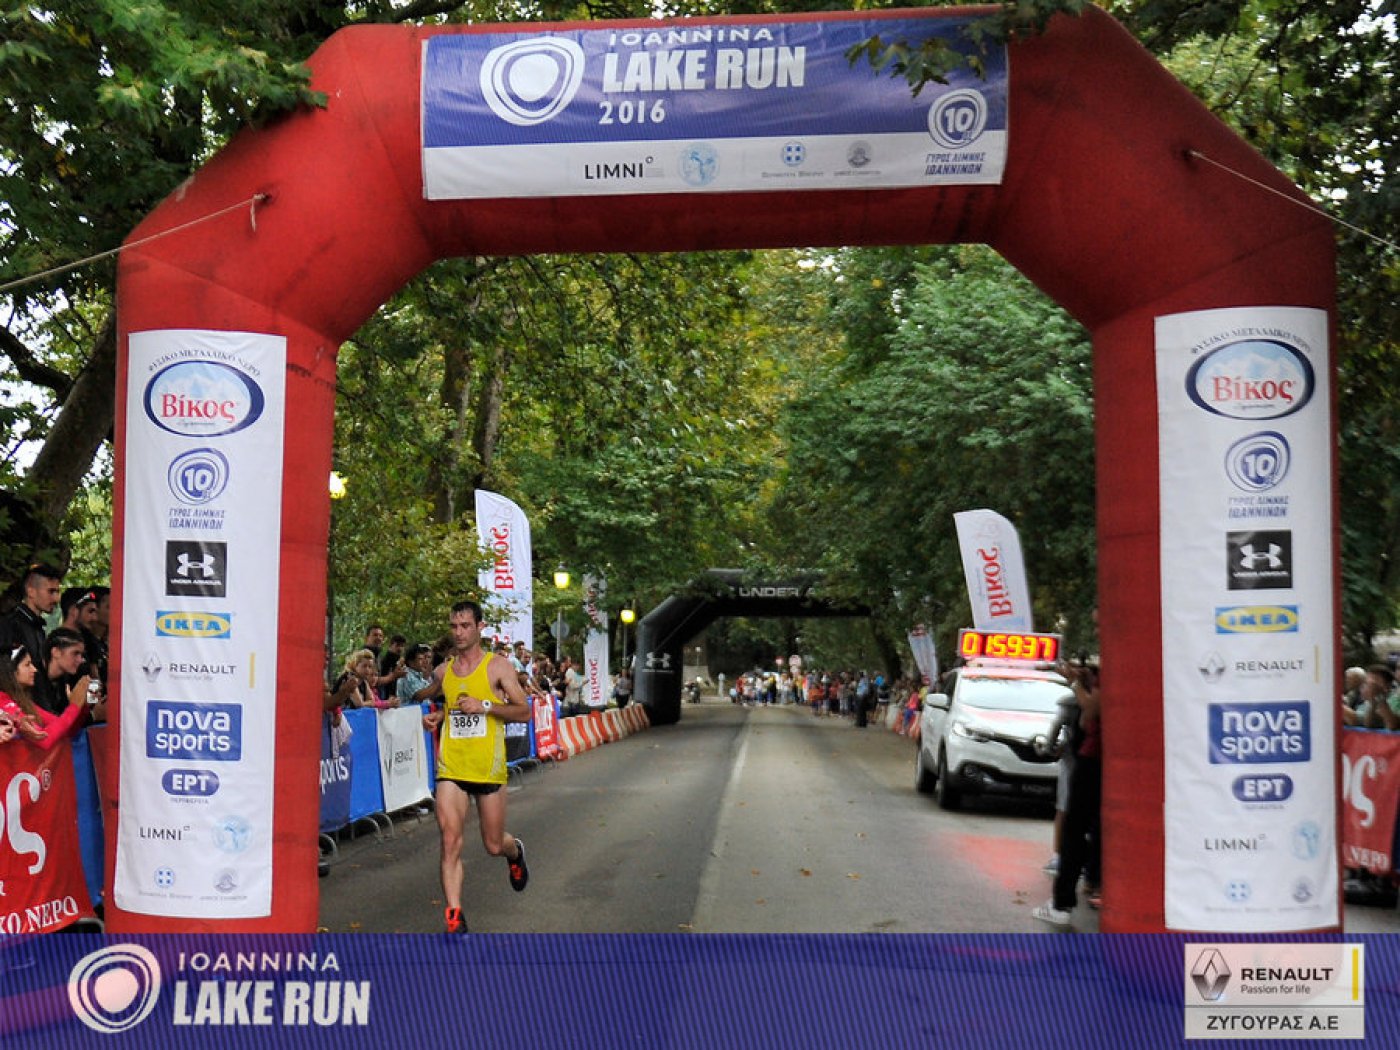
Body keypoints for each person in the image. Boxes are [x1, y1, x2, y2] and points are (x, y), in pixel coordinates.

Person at [410, 599, 532, 934]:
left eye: (465, 626)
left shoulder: (498, 667)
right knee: (450, 839)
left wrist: (486, 705)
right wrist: (440, 716)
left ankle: (514, 852)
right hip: (452, 767)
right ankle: (454, 915)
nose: (459, 632)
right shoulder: (444, 671)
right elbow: (454, 706)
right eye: (454, 626)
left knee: (493, 844)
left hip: (487, 768)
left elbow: (524, 712)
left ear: (480, 627)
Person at [1034, 663, 1102, 927]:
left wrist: (1076, 685)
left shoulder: (1107, 677)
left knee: (1074, 827)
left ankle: (1061, 903)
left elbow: (1089, 714)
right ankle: (1094, 882)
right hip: (1109, 761)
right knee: (1095, 827)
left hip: (1091, 759)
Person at [0, 563, 63, 714]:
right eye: (51, 591)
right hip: (22, 713)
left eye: (57, 591)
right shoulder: (10, 625)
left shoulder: (38, 629)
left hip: (41, 710)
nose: (56, 598)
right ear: (31, 591)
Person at [0, 644, 88, 751]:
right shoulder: (2, 701)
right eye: (27, 665)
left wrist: (82, 705)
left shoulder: (23, 702)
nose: (34, 669)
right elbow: (44, 740)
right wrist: (74, 706)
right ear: (10, 672)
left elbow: (66, 730)